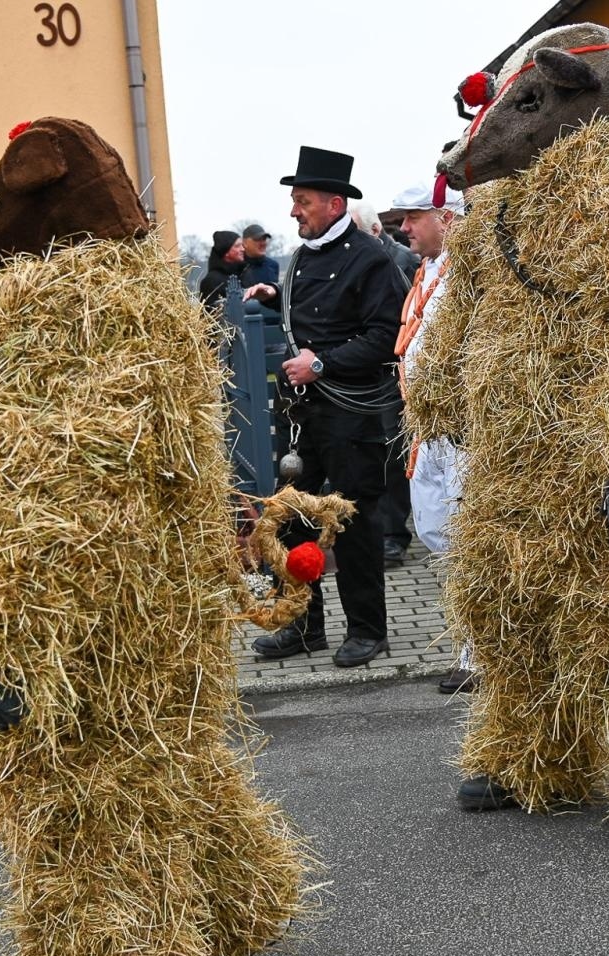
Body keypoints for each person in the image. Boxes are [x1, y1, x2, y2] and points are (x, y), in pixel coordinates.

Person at [243, 146, 407, 667]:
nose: (295, 211)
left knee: (352, 522)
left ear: (335, 204)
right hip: (304, 414)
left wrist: (324, 363)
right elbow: (311, 315)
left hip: (352, 412)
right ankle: (300, 625)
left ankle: (367, 630)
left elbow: (386, 335)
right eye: (295, 200)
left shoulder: (371, 257)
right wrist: (273, 298)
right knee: (290, 518)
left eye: (304, 201)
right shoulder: (302, 259)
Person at [391, 179, 475, 693]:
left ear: (445, 218)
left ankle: (479, 653)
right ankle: (471, 642)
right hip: (428, 428)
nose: (404, 228)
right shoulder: (427, 271)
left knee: (467, 537)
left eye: (413, 217)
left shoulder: (471, 275)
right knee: (435, 531)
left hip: (463, 430)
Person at [349, 199, 416, 564]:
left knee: (393, 453)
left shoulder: (404, 261)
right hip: (370, 370)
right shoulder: (359, 262)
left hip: (394, 370)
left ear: (375, 231)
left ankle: (395, 535)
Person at [198, 229, 245, 307]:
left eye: (242, 245)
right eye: (237, 246)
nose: (243, 249)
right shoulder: (211, 282)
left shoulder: (244, 272)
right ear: (226, 252)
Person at [239, 222, 280, 289]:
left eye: (264, 239)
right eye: (257, 239)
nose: (262, 243)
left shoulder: (273, 266)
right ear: (245, 243)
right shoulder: (236, 266)